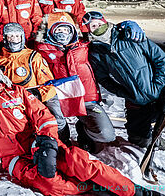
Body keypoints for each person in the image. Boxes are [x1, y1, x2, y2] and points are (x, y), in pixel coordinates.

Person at [0, 55, 153, 196]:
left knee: (79, 163)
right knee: (51, 186)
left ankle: (136, 192)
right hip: (13, 157)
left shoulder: (17, 92)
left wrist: (48, 140)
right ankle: (92, 187)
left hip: (38, 143)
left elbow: (43, 115)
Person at [85, 11, 165, 187]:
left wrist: (159, 85)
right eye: (91, 26)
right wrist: (126, 93)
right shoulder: (96, 52)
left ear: (105, 21)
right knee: (137, 140)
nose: (96, 28)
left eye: (98, 23)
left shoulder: (131, 36)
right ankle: (157, 141)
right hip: (138, 102)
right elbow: (104, 79)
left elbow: (162, 61)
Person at [34, 13, 115, 151]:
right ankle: (63, 140)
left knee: (106, 134)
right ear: (51, 31)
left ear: (72, 31)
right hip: (58, 98)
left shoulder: (85, 45)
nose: (62, 33)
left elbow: (106, 34)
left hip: (86, 98)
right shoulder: (41, 50)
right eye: (58, 30)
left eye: (66, 30)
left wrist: (127, 27)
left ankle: (84, 131)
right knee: (55, 123)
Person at [0, 23, 67, 142]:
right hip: (11, 100)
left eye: (17, 36)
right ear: (5, 38)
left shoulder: (33, 57)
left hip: (35, 97)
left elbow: (47, 84)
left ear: (22, 37)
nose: (14, 39)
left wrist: (37, 97)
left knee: (56, 121)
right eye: (10, 36)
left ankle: (62, 142)